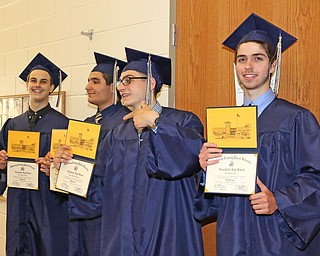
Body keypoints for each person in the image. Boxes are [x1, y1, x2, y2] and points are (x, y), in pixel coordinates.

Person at [194, 13, 320, 255]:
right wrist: (206, 171)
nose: (248, 66)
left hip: (277, 238)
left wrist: (279, 201)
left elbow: (315, 178)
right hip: (233, 236)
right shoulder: (225, 124)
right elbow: (213, 202)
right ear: (235, 67)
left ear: (273, 65)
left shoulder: (296, 118)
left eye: (257, 58)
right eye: (241, 59)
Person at [87, 47, 205, 255]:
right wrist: (64, 169)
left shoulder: (184, 121)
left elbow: (191, 157)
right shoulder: (117, 134)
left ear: (150, 82)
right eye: (121, 82)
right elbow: (98, 184)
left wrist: (156, 123)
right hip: (123, 238)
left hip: (168, 232)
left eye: (128, 80)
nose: (121, 87)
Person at [54, 52, 129, 256]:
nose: (88, 86)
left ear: (113, 88)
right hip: (82, 208)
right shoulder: (87, 124)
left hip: (109, 213)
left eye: (95, 81)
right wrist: (60, 160)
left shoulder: (127, 124)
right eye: (88, 81)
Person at [0, 53, 69, 256]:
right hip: (18, 203)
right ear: (27, 84)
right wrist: (2, 164)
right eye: (33, 80)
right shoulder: (13, 124)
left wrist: (55, 168)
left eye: (43, 81)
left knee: (48, 248)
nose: (37, 85)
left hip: (49, 204)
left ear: (52, 88)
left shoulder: (63, 125)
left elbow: (72, 174)